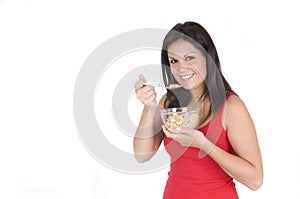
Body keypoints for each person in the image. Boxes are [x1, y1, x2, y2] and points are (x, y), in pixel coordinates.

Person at [134, 21, 263, 199]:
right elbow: (142, 155)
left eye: (190, 58)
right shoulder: (169, 103)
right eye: (174, 61)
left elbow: (255, 180)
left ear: (207, 58)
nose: (181, 68)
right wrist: (148, 106)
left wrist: (204, 145)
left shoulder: (231, 108)